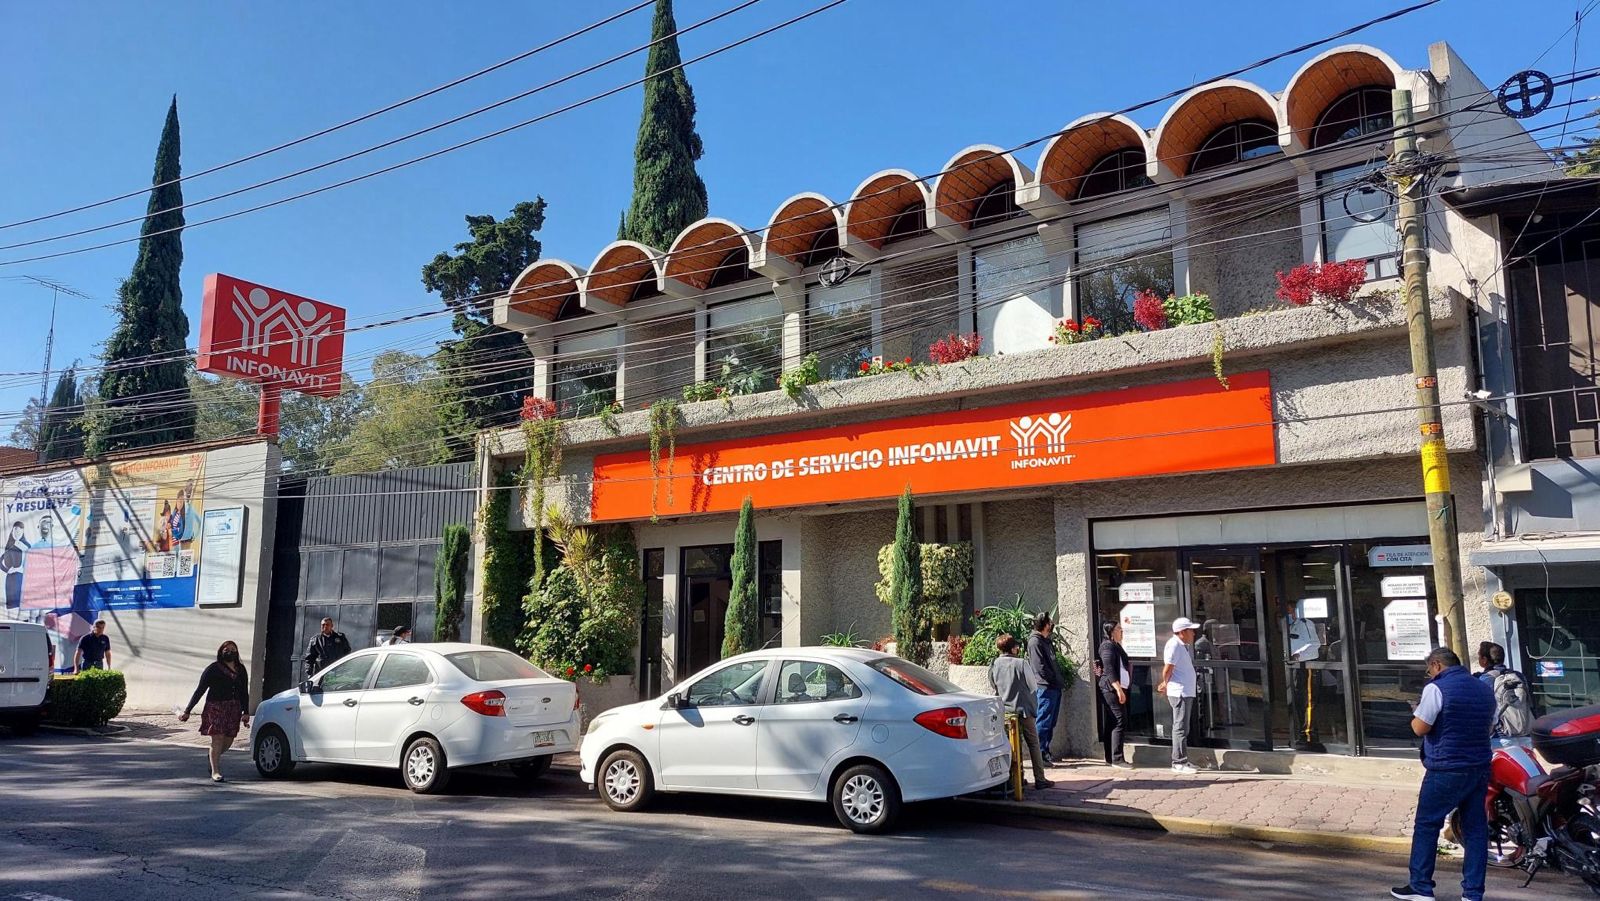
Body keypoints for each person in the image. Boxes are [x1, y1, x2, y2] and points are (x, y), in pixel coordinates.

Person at [1392, 647, 1495, 901]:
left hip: (1446, 767)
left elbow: (1420, 727)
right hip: (1479, 766)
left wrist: (1415, 711)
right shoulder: (1483, 687)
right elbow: (1489, 725)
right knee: (1475, 830)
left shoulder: (1436, 688)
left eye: (1429, 669)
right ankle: (1473, 893)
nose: (1429, 674)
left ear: (1437, 665)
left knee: (1427, 824)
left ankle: (1420, 887)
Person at [178, 641, 251, 783]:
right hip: (215, 707)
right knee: (217, 738)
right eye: (226, 649)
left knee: (229, 739)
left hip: (234, 708)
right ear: (221, 652)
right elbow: (200, 690)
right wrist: (188, 710)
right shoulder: (213, 669)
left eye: (233, 649)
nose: (230, 652)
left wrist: (246, 712)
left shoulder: (241, 669)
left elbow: (244, 692)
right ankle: (215, 771)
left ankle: (212, 756)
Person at [989, 633, 1051, 790]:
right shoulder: (1021, 663)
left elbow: (993, 684)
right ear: (1013, 648)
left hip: (1005, 711)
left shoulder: (995, 664)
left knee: (1012, 744)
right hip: (1024, 709)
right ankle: (1040, 779)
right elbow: (1033, 686)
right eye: (1016, 646)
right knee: (1033, 743)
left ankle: (1016, 779)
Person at [1158, 617, 1200, 774]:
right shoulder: (1174, 645)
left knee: (1184, 727)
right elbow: (1168, 668)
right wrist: (1165, 683)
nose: (1193, 633)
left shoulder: (1181, 646)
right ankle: (1178, 762)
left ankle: (1183, 760)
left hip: (1185, 691)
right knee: (1180, 727)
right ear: (1182, 632)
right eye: (1191, 630)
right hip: (1180, 692)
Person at [1026, 612, 1065, 766]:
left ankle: (1046, 751)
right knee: (1044, 721)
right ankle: (1040, 755)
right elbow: (1040, 668)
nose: (1052, 624)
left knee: (1051, 721)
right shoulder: (1035, 642)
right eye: (1050, 622)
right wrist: (1053, 679)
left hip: (1053, 687)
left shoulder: (1045, 641)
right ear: (1044, 624)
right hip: (1045, 687)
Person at [1475, 641, 1533, 738]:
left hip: (1500, 734)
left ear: (1484, 660)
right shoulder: (1518, 675)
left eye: (1479, 656)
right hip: (1526, 730)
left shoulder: (1485, 679)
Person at [1098, 621, 1133, 768]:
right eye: (1119, 629)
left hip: (1118, 688)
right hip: (1111, 689)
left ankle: (1110, 757)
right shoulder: (1107, 646)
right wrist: (1118, 689)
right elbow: (1109, 669)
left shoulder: (1116, 645)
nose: (1121, 631)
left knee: (1112, 721)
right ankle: (1117, 759)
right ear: (1111, 631)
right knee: (1119, 721)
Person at [2, 520, 29, 608]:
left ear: (23, 532)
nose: (17, 533)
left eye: (20, 530)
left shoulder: (26, 545)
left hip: (21, 578)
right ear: (12, 531)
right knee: (11, 607)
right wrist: (7, 570)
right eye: (15, 530)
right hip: (10, 579)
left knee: (21, 605)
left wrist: (21, 569)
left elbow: (32, 560)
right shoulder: (9, 546)